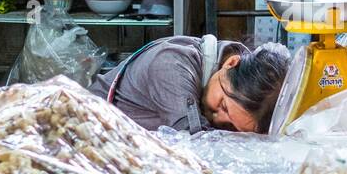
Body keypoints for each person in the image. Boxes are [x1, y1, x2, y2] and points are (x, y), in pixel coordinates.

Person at [89, 35, 290, 134]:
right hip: (86, 135)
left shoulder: (226, 70)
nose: (218, 120)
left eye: (232, 127)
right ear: (231, 63)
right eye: (222, 106)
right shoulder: (170, 65)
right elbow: (197, 143)